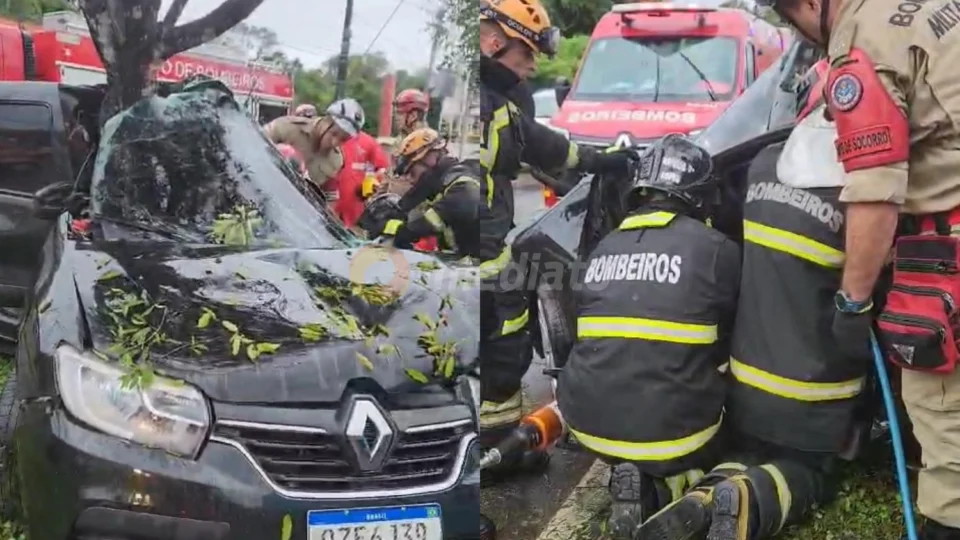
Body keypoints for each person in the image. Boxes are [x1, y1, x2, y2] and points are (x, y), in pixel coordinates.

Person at [636, 60, 873, 540]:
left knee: (744, 454)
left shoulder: (761, 168)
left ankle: (686, 494)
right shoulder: (862, 194)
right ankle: (746, 502)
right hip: (816, 401)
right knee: (809, 473)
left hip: (745, 392)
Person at [754, 0, 960, 536]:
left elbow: (874, 193)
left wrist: (852, 301)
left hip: (950, 245)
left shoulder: (862, 39)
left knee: (948, 430)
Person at [477, 0, 637, 474]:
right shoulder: (485, 104)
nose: (533, 65)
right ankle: (488, 457)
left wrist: (597, 163)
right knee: (501, 341)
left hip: (480, 255)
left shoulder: (497, 98)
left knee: (498, 346)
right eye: (527, 52)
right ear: (494, 41)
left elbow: (544, 149)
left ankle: (495, 446)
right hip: (477, 259)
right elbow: (538, 145)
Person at [556, 134, 740, 539]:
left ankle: (633, 476)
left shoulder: (603, 247)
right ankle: (674, 482)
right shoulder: (717, 250)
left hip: (587, 425)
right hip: (679, 433)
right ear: (699, 197)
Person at [361, 128, 488, 258]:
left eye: (412, 171)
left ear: (430, 158)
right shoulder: (441, 185)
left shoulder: (461, 179)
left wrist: (404, 231)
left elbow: (463, 204)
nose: (411, 179)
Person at [264, 98, 364, 205]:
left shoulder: (336, 161)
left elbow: (329, 199)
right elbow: (250, 146)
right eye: (334, 134)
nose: (335, 142)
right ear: (326, 120)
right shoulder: (286, 127)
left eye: (342, 139)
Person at [333, 129, 391, 230]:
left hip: (353, 212)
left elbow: (383, 169)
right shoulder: (331, 136)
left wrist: (372, 184)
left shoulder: (368, 142)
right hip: (327, 205)